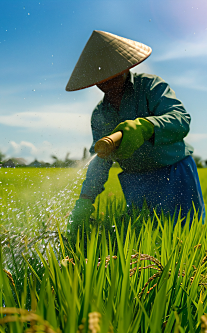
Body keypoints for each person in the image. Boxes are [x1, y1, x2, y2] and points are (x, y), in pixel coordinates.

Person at [66, 30, 205, 240]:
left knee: (186, 238)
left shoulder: (150, 86)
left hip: (175, 174)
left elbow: (181, 120)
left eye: (112, 75)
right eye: (101, 78)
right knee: (143, 239)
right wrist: (85, 200)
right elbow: (100, 159)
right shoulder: (100, 114)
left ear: (125, 67)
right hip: (137, 182)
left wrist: (147, 126)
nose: (107, 83)